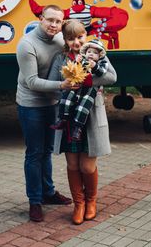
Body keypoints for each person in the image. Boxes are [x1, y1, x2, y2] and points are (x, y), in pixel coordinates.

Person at [48, 19, 117, 225]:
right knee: (72, 164)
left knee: (87, 167)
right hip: (69, 117)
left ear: (85, 36)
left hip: (90, 117)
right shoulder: (61, 59)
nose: (76, 42)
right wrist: (65, 85)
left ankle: (91, 201)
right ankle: (78, 204)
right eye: (71, 39)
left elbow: (112, 78)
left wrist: (87, 79)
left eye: (79, 37)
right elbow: (53, 86)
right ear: (65, 41)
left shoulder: (97, 53)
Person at [16, 4, 75, 223]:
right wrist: (63, 85)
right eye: (49, 20)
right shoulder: (27, 44)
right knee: (34, 153)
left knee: (48, 150)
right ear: (41, 18)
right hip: (30, 105)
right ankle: (35, 201)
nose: (53, 25)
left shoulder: (60, 40)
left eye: (58, 21)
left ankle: (48, 193)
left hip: (52, 103)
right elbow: (31, 82)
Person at [52, 38, 108, 142]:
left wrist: (95, 66)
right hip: (77, 86)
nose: (91, 54)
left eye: (95, 53)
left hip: (90, 90)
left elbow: (102, 73)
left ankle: (77, 128)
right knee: (66, 99)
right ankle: (63, 119)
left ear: (100, 55)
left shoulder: (102, 62)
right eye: (89, 52)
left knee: (83, 108)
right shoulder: (82, 60)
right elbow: (72, 70)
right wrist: (75, 62)